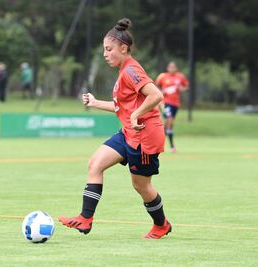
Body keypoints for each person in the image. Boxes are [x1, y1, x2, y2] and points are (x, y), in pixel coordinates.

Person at [58, 18, 171, 239]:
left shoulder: (131, 70)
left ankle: (161, 225)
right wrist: (96, 102)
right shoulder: (123, 72)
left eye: (109, 49)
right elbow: (123, 107)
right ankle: (85, 219)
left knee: (141, 186)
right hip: (130, 132)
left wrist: (137, 114)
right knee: (95, 164)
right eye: (104, 49)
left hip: (145, 136)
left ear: (123, 48)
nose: (105, 54)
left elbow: (156, 95)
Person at [156, 62, 188, 152]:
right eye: (170, 67)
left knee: (169, 125)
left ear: (176, 68)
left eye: (174, 67)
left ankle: (163, 142)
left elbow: (185, 87)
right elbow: (156, 87)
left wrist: (180, 88)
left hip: (175, 104)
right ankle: (171, 146)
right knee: (169, 120)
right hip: (165, 102)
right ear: (168, 68)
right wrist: (162, 91)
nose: (172, 69)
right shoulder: (163, 76)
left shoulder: (180, 77)